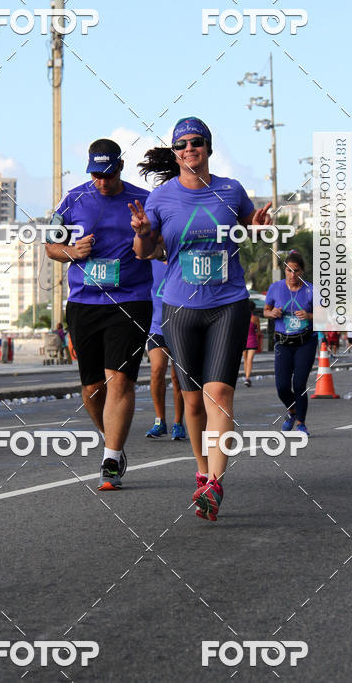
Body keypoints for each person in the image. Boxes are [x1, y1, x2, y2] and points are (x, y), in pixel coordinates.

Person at [130, 117, 271, 521]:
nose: (189, 149)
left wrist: (259, 229)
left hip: (228, 303)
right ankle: (202, 470)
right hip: (179, 307)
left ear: (208, 148)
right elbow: (143, 253)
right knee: (192, 401)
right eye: (181, 145)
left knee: (219, 394)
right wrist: (141, 231)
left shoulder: (231, 190)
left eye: (196, 142)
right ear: (174, 154)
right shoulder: (160, 200)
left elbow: (251, 233)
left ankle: (215, 483)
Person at [45, 138, 153, 490]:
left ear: (120, 168)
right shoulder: (73, 200)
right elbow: (50, 246)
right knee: (91, 389)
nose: (101, 181)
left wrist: (144, 234)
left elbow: (156, 248)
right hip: (85, 303)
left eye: (107, 174)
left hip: (130, 301)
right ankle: (113, 440)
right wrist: (72, 251)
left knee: (119, 380)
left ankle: (109, 458)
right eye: (96, 174)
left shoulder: (143, 200)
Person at [264, 250, 317, 436]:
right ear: (284, 270)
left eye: (296, 271)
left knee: (300, 383)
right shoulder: (276, 288)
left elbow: (326, 315)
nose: (292, 275)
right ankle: (292, 411)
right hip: (283, 342)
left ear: (302, 272)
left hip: (305, 341)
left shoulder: (311, 290)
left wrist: (310, 315)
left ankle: (301, 423)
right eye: (288, 270)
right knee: (282, 387)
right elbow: (266, 310)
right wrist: (272, 314)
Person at [145, 247, 186, 440]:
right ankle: (160, 420)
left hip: (181, 326)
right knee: (157, 370)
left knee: (177, 377)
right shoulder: (149, 261)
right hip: (156, 326)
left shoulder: (182, 260)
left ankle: (178, 423)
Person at [243, 300, 263, 386]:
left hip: (243, 341)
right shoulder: (255, 318)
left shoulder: (241, 317)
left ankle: (246, 377)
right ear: (253, 308)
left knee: (245, 360)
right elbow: (259, 332)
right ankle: (247, 378)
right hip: (252, 341)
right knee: (250, 360)